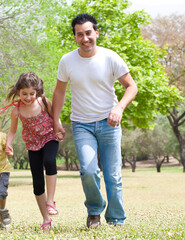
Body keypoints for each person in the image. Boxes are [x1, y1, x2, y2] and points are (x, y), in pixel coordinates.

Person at [52, 13, 138, 228]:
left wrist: (118, 108)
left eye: (88, 33)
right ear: (74, 37)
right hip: (81, 124)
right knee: (89, 171)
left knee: (113, 176)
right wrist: (56, 120)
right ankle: (94, 211)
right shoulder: (67, 60)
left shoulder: (111, 57)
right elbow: (59, 92)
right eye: (79, 34)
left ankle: (116, 218)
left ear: (96, 33)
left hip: (109, 123)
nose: (85, 38)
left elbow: (131, 86)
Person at [5, 72, 62, 230]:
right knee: (37, 183)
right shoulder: (16, 111)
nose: (28, 97)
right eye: (24, 94)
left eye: (31, 93)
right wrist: (8, 144)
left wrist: (59, 128)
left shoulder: (43, 102)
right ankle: (45, 219)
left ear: (37, 92)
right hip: (32, 145)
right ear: (18, 92)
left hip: (50, 137)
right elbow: (12, 131)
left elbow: (55, 117)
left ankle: (50, 202)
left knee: (49, 161)